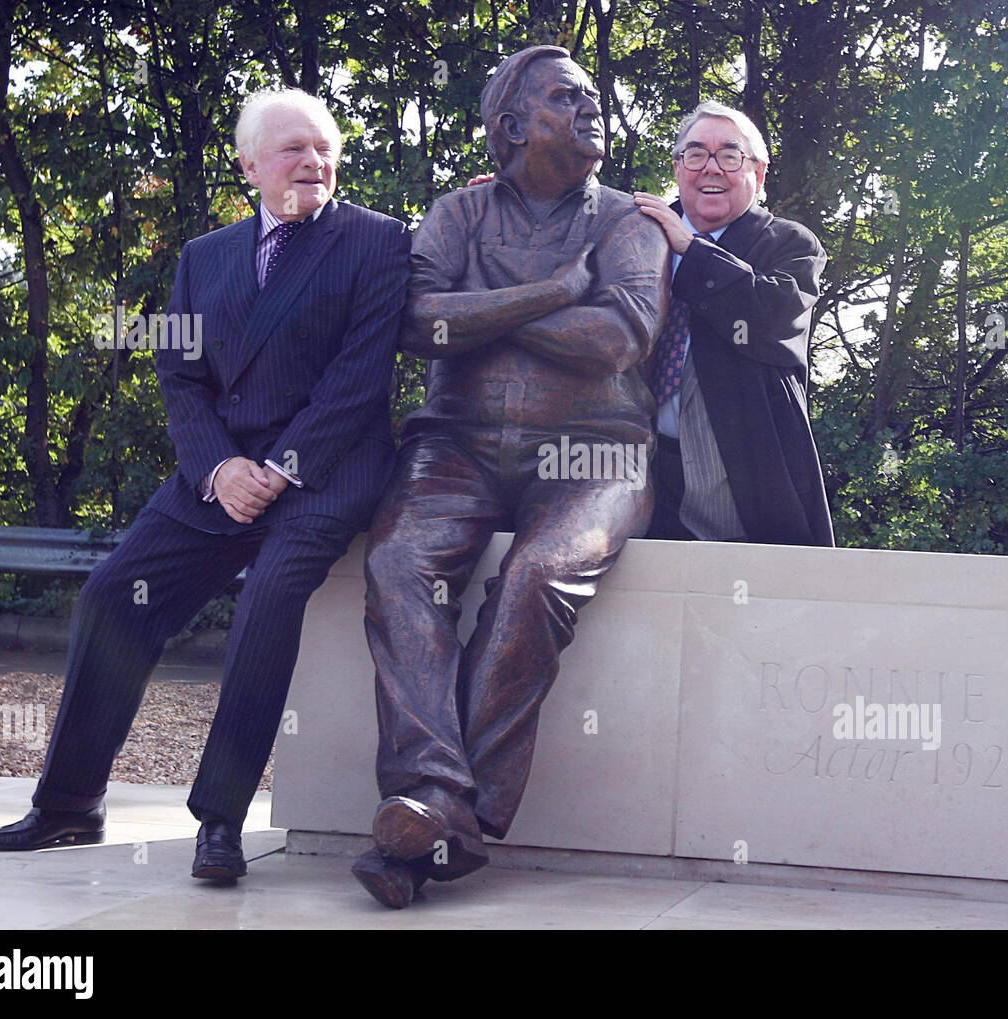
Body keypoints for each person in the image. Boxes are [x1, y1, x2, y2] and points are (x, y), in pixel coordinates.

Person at [0, 88, 411, 884]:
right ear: (249, 165)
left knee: (269, 599)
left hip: (324, 472)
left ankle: (219, 819)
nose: (313, 162)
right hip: (216, 473)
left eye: (323, 148)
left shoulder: (378, 242)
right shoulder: (203, 256)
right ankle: (70, 802)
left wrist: (277, 470)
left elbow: (358, 382)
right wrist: (218, 468)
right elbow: (178, 377)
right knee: (112, 593)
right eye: (293, 150)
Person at [350, 45, 670, 909]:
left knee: (536, 574)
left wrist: (484, 311)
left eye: (595, 96)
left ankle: (433, 808)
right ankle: (437, 802)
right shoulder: (456, 214)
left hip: (597, 451)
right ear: (512, 124)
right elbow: (416, 323)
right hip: (452, 443)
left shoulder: (630, 222)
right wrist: (558, 292)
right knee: (395, 564)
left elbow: (617, 340)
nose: (592, 107)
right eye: (568, 97)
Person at [633, 101, 834, 546]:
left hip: (733, 465)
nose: (711, 168)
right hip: (632, 458)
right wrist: (510, 203)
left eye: (729, 155)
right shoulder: (635, 229)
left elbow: (771, 316)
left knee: (741, 602)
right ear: (678, 167)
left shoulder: (788, 243)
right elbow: (564, 253)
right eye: (696, 153)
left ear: (758, 175)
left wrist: (691, 251)